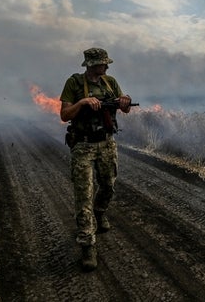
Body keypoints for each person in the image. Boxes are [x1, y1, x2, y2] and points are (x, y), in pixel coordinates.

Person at [59, 47, 133, 271]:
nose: (107, 67)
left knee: (108, 186)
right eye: (103, 64)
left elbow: (126, 108)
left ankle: (100, 212)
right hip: (83, 145)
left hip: (107, 143)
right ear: (91, 65)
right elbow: (64, 115)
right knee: (83, 195)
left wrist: (124, 101)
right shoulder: (74, 83)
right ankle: (87, 245)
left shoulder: (110, 82)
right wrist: (82, 103)